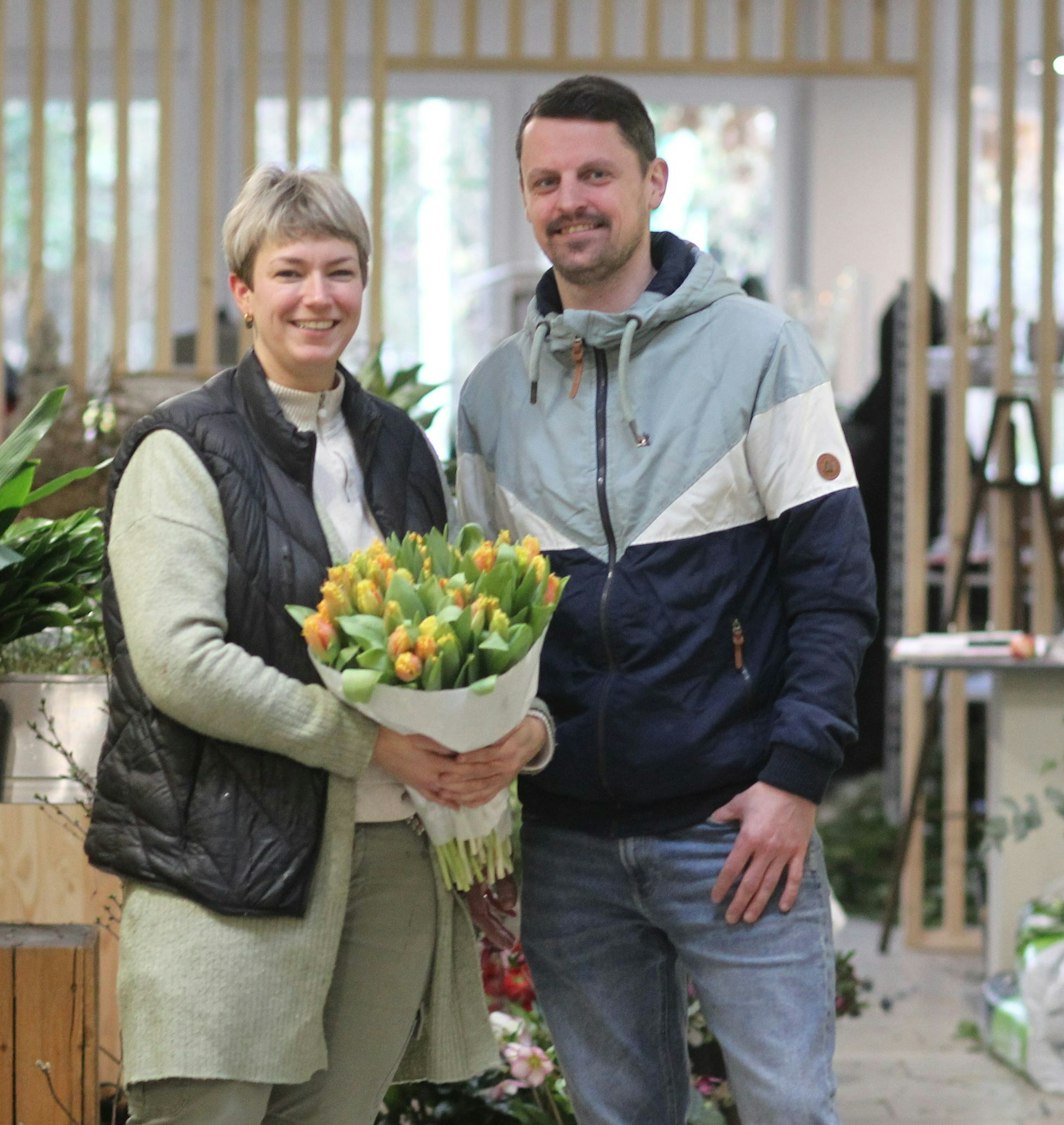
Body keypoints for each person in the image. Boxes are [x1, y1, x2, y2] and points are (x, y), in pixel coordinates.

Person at [453, 75, 877, 1124]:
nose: (570, 199)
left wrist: (794, 778)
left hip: (734, 828)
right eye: (544, 180)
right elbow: (479, 637)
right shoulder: (492, 397)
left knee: (787, 1110)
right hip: (566, 846)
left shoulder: (761, 353)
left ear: (652, 180)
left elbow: (833, 591)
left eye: (594, 173)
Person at [84, 165, 545, 1125]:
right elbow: (179, 662)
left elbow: (458, 634)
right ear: (243, 292)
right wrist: (367, 741)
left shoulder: (400, 449)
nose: (318, 296)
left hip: (390, 866)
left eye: (341, 271)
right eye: (290, 271)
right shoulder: (182, 449)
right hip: (228, 864)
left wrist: (511, 728)